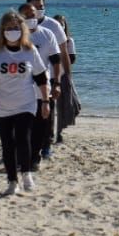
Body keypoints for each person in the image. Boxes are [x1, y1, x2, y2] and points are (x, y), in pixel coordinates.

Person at [0, 9, 51, 196]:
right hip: (1, 104)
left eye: (15, 27)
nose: (12, 30)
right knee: (7, 143)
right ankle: (12, 181)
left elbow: (41, 78)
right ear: (2, 30)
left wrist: (45, 101)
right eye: (8, 27)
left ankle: (27, 173)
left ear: (22, 29)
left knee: (23, 138)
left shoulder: (30, 50)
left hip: (26, 103)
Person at [20, 2, 64, 161]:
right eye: (26, 16)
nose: (31, 18)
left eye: (33, 15)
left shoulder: (47, 34)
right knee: (23, 128)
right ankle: (24, 157)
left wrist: (57, 83)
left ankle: (37, 156)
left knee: (41, 126)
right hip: (20, 91)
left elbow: (56, 60)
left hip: (42, 89)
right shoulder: (14, 36)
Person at [53, 13, 81, 142]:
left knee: (71, 104)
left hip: (64, 75)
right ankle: (53, 133)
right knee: (52, 106)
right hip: (50, 75)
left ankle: (59, 131)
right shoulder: (49, 40)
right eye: (57, 23)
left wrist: (63, 54)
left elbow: (72, 59)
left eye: (62, 24)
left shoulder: (69, 41)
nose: (59, 26)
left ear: (65, 26)